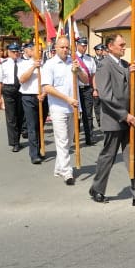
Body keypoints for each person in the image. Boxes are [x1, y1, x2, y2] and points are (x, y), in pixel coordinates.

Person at [88, 33, 135, 208]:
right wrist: (124, 115)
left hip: (130, 119)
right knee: (108, 156)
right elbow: (105, 95)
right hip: (115, 118)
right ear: (110, 46)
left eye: (125, 44)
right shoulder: (104, 65)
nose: (124, 47)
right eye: (121, 44)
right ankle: (97, 188)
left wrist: (134, 74)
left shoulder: (126, 64)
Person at [41, 36, 88, 186]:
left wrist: (78, 69)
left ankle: (59, 168)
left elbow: (86, 80)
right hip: (58, 108)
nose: (65, 50)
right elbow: (47, 87)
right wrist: (67, 99)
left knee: (68, 140)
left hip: (73, 107)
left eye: (67, 47)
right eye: (62, 47)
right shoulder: (50, 64)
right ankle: (67, 172)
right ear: (55, 48)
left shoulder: (73, 62)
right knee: (62, 140)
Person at [17, 42, 44, 165]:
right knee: (32, 126)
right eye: (38, 51)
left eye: (42, 51)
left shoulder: (47, 65)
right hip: (28, 97)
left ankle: (39, 149)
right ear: (31, 52)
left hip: (43, 97)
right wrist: (33, 67)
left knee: (40, 126)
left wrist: (44, 94)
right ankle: (34, 154)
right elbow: (22, 79)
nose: (41, 53)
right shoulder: (23, 64)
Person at [0, 43, 24, 152]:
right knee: (11, 117)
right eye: (13, 51)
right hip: (9, 90)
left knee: (20, 116)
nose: (16, 53)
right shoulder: (3, 64)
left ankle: (18, 136)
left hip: (21, 89)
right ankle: (14, 142)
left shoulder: (24, 63)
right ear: (9, 52)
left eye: (17, 51)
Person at [73, 37, 97, 146]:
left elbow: (93, 76)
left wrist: (95, 89)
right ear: (77, 45)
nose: (84, 48)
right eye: (82, 46)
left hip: (87, 89)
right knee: (75, 113)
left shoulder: (90, 59)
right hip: (75, 89)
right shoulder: (72, 58)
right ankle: (74, 135)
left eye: (85, 46)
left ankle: (89, 137)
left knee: (88, 114)